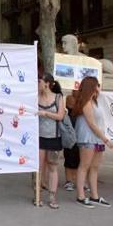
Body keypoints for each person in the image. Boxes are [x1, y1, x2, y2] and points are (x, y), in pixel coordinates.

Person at [72, 76, 113, 208]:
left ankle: (94, 196)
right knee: (84, 166)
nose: (99, 88)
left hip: (97, 138)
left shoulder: (95, 102)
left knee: (95, 167)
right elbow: (91, 123)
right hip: (88, 138)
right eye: (97, 85)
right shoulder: (86, 103)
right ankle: (80, 196)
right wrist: (106, 140)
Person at [36, 74, 65, 209]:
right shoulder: (36, 97)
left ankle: (52, 196)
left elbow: (60, 116)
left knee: (53, 167)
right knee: (38, 167)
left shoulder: (59, 97)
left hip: (54, 137)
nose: (38, 84)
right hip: (39, 137)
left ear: (47, 83)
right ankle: (38, 195)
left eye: (40, 81)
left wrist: (45, 113)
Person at [62, 90, 80, 192]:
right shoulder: (70, 98)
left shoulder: (85, 100)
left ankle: (78, 180)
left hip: (80, 133)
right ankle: (69, 181)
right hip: (70, 133)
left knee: (80, 159)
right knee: (69, 158)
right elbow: (71, 106)